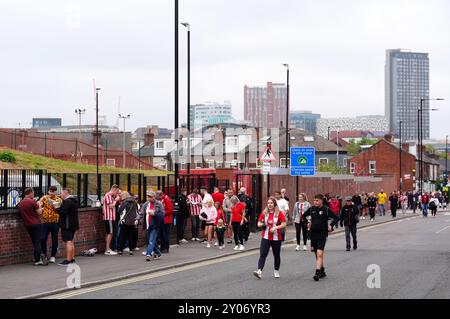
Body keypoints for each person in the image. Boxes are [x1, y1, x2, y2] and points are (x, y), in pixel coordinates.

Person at [302, 194, 339, 281]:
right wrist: (307, 222)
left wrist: (331, 225)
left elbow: (336, 218)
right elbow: (303, 216)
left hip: (322, 234)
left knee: (319, 253)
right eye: (314, 200)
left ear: (321, 201)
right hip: (313, 234)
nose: (315, 202)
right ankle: (322, 270)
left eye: (317, 200)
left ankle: (317, 272)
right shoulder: (311, 209)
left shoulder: (326, 209)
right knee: (316, 254)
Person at [253, 197, 287, 279]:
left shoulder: (279, 213)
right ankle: (259, 271)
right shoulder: (264, 213)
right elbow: (258, 224)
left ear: (274, 204)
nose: (270, 205)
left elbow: (284, 224)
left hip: (276, 238)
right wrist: (263, 224)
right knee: (263, 254)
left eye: (271, 203)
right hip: (265, 237)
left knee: (276, 255)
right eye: (268, 203)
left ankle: (276, 271)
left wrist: (275, 228)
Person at [18, 188, 46, 266]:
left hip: (27, 225)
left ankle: (36, 257)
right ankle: (38, 260)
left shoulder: (21, 203)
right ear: (30, 193)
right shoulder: (32, 201)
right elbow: (39, 213)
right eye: (33, 193)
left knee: (34, 241)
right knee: (38, 242)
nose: (33, 194)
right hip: (36, 224)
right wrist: (40, 206)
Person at [137, 191, 164, 261]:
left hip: (155, 225)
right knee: (152, 240)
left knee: (151, 240)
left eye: (150, 197)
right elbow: (141, 213)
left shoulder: (159, 204)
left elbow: (162, 214)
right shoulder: (146, 204)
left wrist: (154, 213)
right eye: (148, 197)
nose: (149, 198)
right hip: (148, 225)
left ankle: (148, 254)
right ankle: (158, 253)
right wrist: (136, 219)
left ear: (154, 197)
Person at [39, 186, 62, 263]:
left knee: (54, 239)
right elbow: (39, 203)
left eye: (52, 191)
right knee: (43, 238)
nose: (51, 193)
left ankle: (53, 256)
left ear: (55, 192)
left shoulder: (58, 199)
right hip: (46, 222)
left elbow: (55, 205)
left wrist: (47, 199)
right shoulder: (44, 198)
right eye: (50, 191)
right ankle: (44, 254)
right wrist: (40, 204)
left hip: (55, 222)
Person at [57, 188, 79, 266]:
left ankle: (68, 260)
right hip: (73, 224)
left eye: (61, 193)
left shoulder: (67, 201)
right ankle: (72, 259)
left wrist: (56, 208)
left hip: (67, 225)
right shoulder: (73, 200)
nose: (60, 194)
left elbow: (63, 212)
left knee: (68, 241)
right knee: (71, 241)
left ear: (65, 192)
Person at [103, 185, 120, 255]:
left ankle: (108, 248)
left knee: (108, 233)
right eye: (117, 191)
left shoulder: (110, 196)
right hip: (109, 217)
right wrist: (116, 200)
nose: (117, 193)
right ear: (114, 189)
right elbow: (111, 206)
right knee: (110, 233)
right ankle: (107, 250)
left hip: (110, 217)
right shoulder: (108, 196)